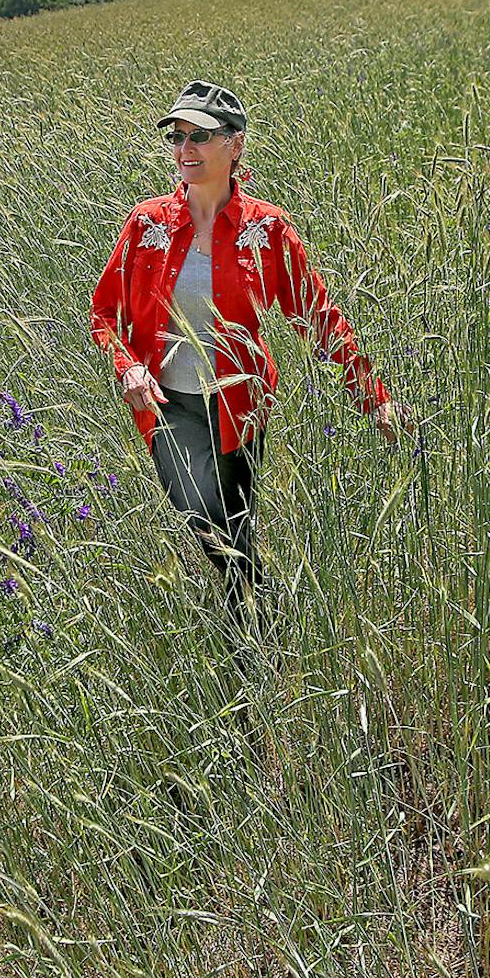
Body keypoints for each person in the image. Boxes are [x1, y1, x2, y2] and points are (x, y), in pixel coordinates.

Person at [89, 79, 403, 645]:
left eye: (201, 137)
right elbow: (104, 313)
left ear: (235, 145)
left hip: (240, 406)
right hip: (170, 407)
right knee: (204, 526)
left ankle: (254, 650)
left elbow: (317, 315)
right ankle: (271, 619)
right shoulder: (146, 224)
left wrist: (373, 397)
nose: (186, 149)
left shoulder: (268, 230)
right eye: (178, 137)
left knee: (235, 530)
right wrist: (128, 366)